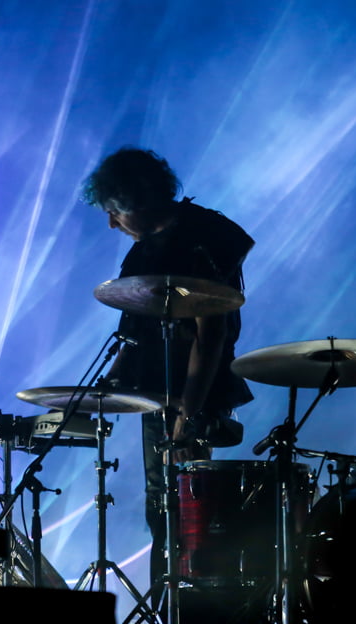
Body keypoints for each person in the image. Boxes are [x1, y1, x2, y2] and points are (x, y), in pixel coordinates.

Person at [82, 147, 254, 595]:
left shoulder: (204, 236)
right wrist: (111, 382)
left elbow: (210, 335)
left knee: (191, 509)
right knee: (161, 508)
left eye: (115, 212)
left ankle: (193, 604)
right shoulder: (145, 250)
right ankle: (166, 602)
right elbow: (136, 327)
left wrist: (188, 414)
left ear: (137, 201)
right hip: (157, 393)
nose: (112, 224)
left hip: (194, 394)